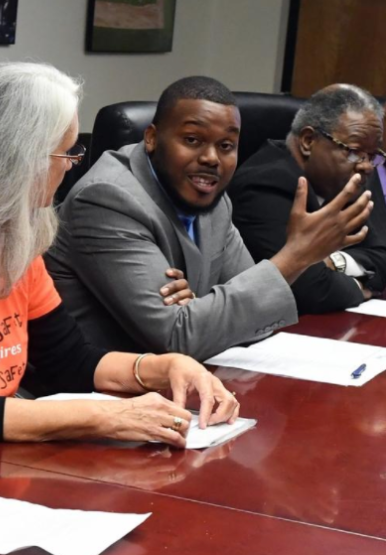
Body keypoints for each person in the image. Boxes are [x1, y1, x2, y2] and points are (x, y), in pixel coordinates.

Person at [0, 63, 238, 446]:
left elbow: (68, 360)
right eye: (65, 154)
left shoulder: (12, 238)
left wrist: (163, 367)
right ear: (21, 159)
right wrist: (100, 416)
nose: (69, 168)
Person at [46, 76, 373, 360]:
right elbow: (178, 337)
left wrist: (200, 310)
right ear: (151, 138)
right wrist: (296, 257)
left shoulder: (210, 198)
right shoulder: (107, 198)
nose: (211, 158)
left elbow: (255, 317)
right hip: (96, 397)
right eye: (192, 140)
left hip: (179, 388)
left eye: (226, 145)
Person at [228, 84, 386, 313]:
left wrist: (335, 262)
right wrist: (360, 287)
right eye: (353, 151)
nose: (366, 165)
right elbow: (308, 289)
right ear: (308, 141)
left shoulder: (354, 175)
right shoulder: (263, 184)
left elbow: (383, 257)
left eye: (372, 155)